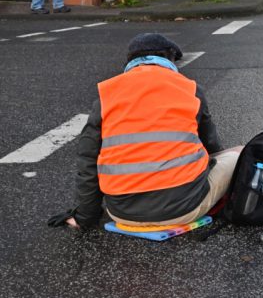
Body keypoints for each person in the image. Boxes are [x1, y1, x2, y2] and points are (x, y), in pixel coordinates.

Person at [61, 33, 240, 229]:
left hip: (122, 213)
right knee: (238, 154)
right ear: (170, 59)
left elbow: (87, 160)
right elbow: (212, 146)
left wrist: (85, 216)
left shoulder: (107, 93)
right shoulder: (190, 89)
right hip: (183, 209)